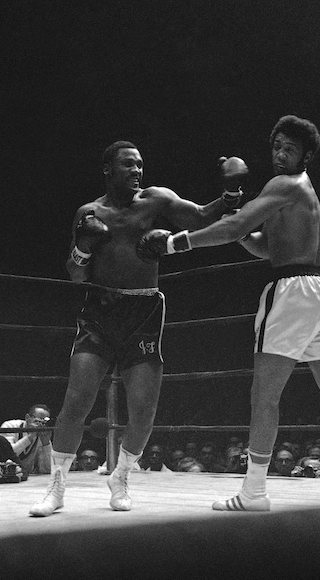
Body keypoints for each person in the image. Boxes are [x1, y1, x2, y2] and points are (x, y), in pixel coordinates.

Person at [137, 115, 320, 511]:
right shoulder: (297, 191)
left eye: (288, 149)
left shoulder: (284, 184)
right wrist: (235, 213)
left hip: (294, 291)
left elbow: (236, 227)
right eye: (276, 146)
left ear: (306, 156)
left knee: (264, 395)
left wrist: (174, 243)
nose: (279, 154)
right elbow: (262, 244)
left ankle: (254, 492)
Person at [28, 140, 246, 517]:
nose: (137, 171)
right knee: (76, 402)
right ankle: (57, 486)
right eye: (128, 165)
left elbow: (199, 217)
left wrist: (229, 194)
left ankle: (122, 475)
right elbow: (76, 274)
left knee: (143, 410)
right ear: (108, 170)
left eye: (140, 165)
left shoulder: (156, 200)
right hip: (99, 310)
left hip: (143, 311)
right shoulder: (89, 211)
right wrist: (83, 246)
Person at [0, 404, 52, 475]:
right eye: (38, 420)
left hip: (27, 479)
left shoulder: (42, 436)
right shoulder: (9, 426)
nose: (41, 425)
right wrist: (30, 436)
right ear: (27, 417)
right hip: (6, 475)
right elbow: (7, 454)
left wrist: (46, 444)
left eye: (44, 422)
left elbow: (48, 469)